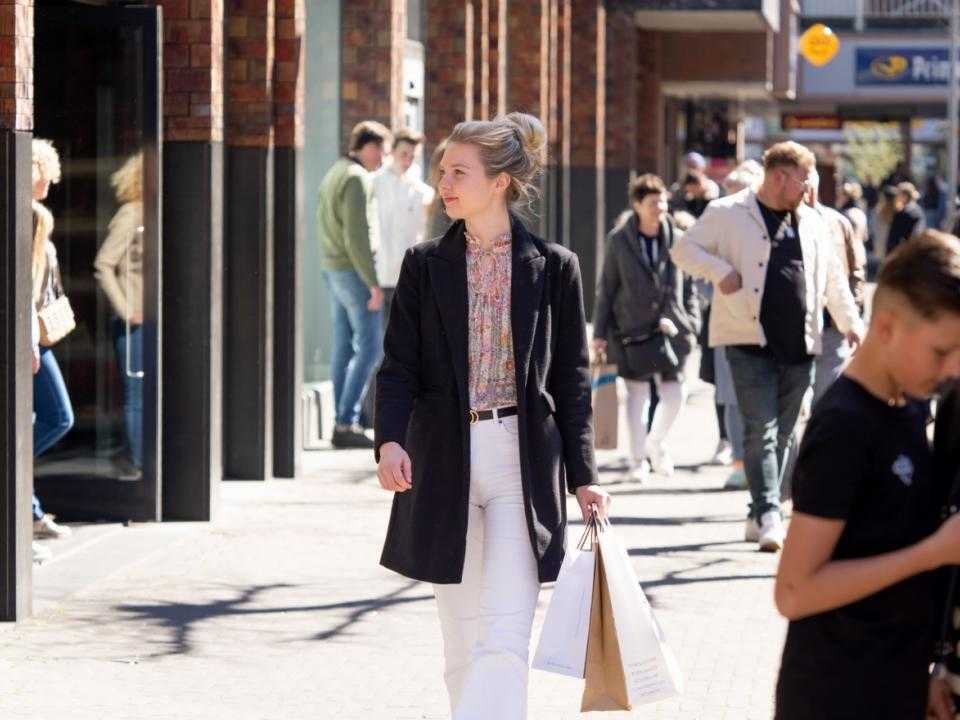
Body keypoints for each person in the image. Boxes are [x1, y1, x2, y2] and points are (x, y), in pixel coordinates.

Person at [374, 112, 610, 719]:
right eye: (442, 171)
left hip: (520, 462)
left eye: (459, 172)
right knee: (461, 642)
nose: (444, 183)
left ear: (500, 181)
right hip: (443, 460)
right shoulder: (424, 265)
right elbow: (397, 366)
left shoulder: (555, 266)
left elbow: (571, 380)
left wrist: (584, 474)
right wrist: (389, 442)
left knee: (505, 632)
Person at [773, 231, 960, 720]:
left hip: (892, 682)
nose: (953, 368)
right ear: (887, 327)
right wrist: (932, 553)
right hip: (835, 693)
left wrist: (927, 670)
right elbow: (793, 592)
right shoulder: (844, 426)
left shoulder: (910, 403)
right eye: (942, 351)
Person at [672, 141, 865, 552]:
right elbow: (684, 249)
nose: (808, 187)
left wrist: (853, 326)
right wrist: (719, 270)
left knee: (788, 429)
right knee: (761, 430)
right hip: (747, 339)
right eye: (804, 179)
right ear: (779, 176)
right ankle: (770, 513)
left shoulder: (813, 221)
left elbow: (833, 281)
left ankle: (757, 510)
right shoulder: (728, 212)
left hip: (801, 343)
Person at [593, 174, 700, 481]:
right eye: (653, 202)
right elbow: (607, 288)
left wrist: (692, 322)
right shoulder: (619, 240)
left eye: (664, 201)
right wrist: (599, 333)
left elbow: (690, 284)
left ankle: (656, 443)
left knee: (676, 393)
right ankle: (638, 460)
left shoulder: (677, 239)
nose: (660, 207)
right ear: (637, 205)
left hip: (673, 328)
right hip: (631, 329)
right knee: (637, 395)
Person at [318, 120, 391, 448]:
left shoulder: (335, 172)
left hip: (333, 269)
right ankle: (346, 422)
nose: (383, 159)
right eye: (383, 151)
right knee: (372, 347)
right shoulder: (357, 179)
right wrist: (373, 283)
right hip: (354, 272)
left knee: (344, 346)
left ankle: (342, 419)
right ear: (370, 147)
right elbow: (357, 236)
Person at [30, 139, 74, 561]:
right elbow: (23, 289)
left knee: (39, 419)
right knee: (58, 416)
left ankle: (29, 511)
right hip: (30, 340)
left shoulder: (37, 216)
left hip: (35, 336)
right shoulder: (29, 218)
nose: (51, 180)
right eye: (47, 171)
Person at [93, 152, 144, 480]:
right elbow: (103, 264)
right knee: (137, 395)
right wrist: (127, 311)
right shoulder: (131, 214)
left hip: (153, 320)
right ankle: (139, 464)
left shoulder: (156, 215)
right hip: (134, 322)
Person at [807, 170, 867, 403]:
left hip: (833, 323)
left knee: (827, 395)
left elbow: (856, 268)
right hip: (794, 327)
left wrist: (852, 310)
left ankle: (818, 436)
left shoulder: (839, 222)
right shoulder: (779, 220)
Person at [372, 128, 434, 324]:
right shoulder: (376, 182)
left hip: (409, 275)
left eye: (412, 156)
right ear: (392, 152)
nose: (407, 160)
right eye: (403, 154)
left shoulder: (419, 188)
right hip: (381, 274)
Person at [886, 181, 926, 256]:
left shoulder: (903, 213)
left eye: (898, 194)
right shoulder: (919, 211)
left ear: (905, 195)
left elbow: (893, 238)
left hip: (902, 252)